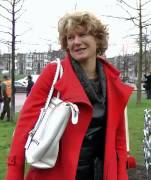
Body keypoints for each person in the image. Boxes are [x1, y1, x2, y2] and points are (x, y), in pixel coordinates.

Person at [6, 11, 133, 180]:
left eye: (82, 35)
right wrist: (15, 173)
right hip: (55, 173)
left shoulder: (112, 81)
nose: (76, 42)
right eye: (70, 37)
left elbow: (118, 139)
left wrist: (120, 174)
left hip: (98, 173)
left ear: (98, 39)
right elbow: (24, 126)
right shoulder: (54, 73)